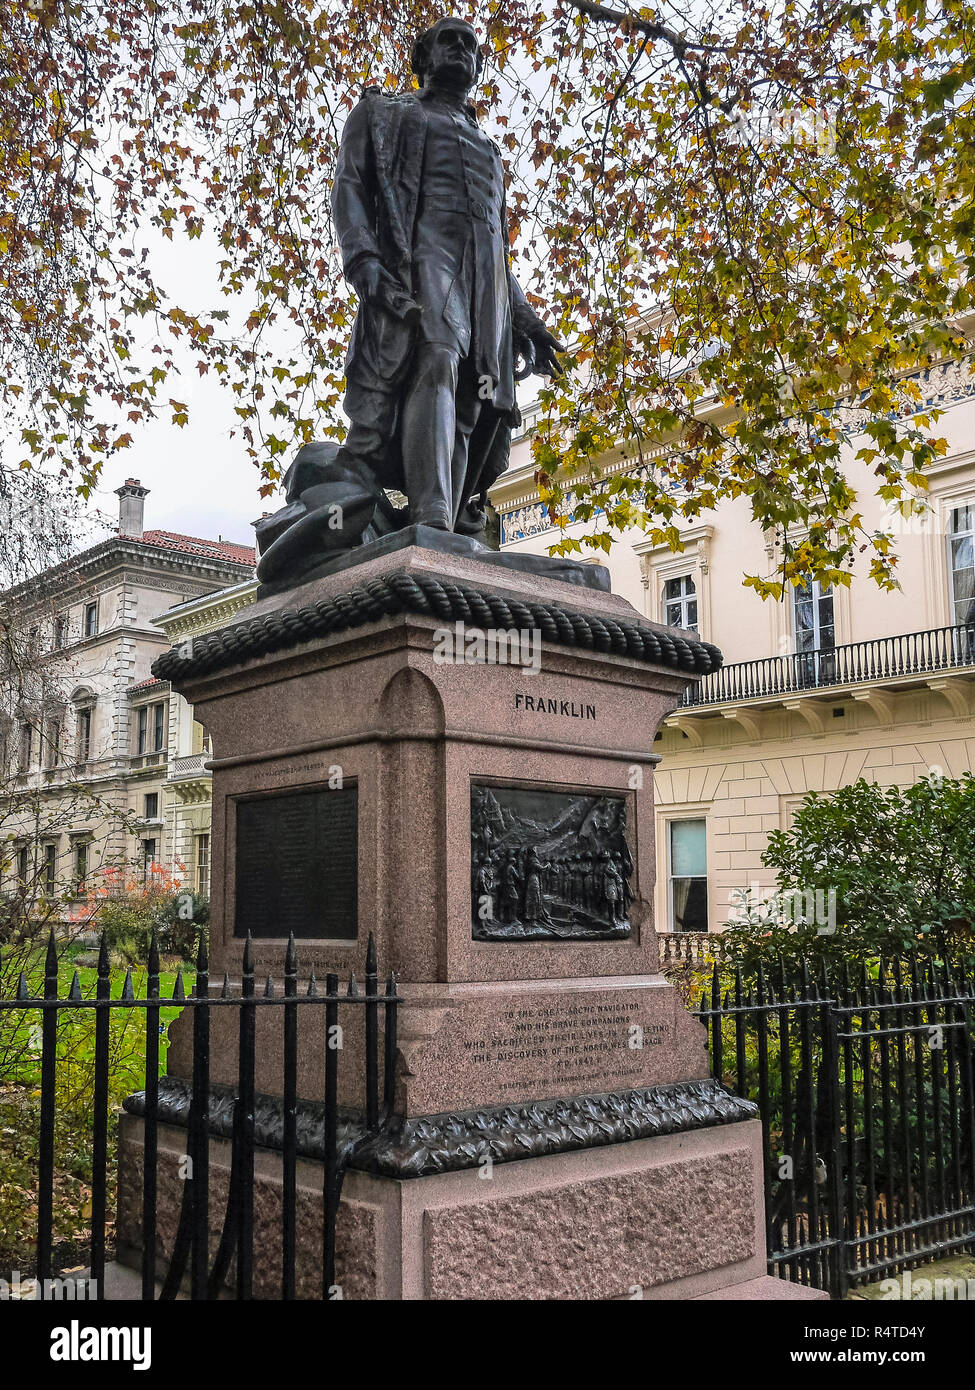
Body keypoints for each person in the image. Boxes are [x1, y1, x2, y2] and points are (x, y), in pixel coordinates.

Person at [330, 16, 564, 533]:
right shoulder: (382, 115)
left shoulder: (490, 150)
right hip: (422, 254)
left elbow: (500, 249)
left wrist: (527, 321)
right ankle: (432, 518)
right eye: (448, 40)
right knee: (436, 357)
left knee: (473, 399)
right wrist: (364, 261)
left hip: (485, 278)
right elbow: (349, 187)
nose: (460, 49)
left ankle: (445, 515)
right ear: (422, 59)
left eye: (470, 45)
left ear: (479, 65)